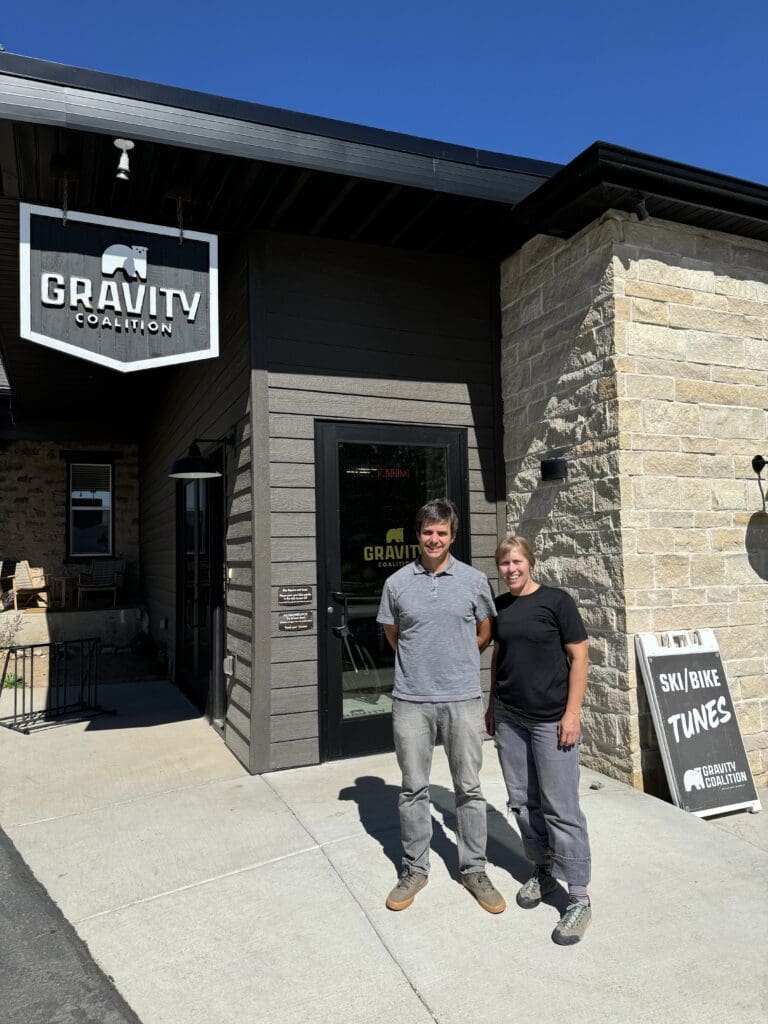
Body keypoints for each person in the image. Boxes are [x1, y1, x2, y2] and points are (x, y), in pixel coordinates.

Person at [377, 497, 504, 913]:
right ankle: (415, 868)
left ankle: (473, 869)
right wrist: (423, 662)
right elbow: (394, 634)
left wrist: (456, 658)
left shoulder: (473, 580)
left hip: (463, 698)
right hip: (412, 700)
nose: (434, 539)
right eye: (428, 532)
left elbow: (485, 631)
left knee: (468, 788)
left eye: (442, 533)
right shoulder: (396, 584)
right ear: (418, 535)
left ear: (452, 536)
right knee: (413, 789)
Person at [485, 535, 592, 945]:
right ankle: (543, 868)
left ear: (530, 563)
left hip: (551, 721)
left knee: (561, 807)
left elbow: (579, 656)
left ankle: (579, 895)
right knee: (522, 801)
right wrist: (492, 705)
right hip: (510, 718)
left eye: (517, 562)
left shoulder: (557, 601)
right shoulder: (501, 606)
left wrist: (571, 714)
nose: (511, 569)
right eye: (504, 563)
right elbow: (499, 654)